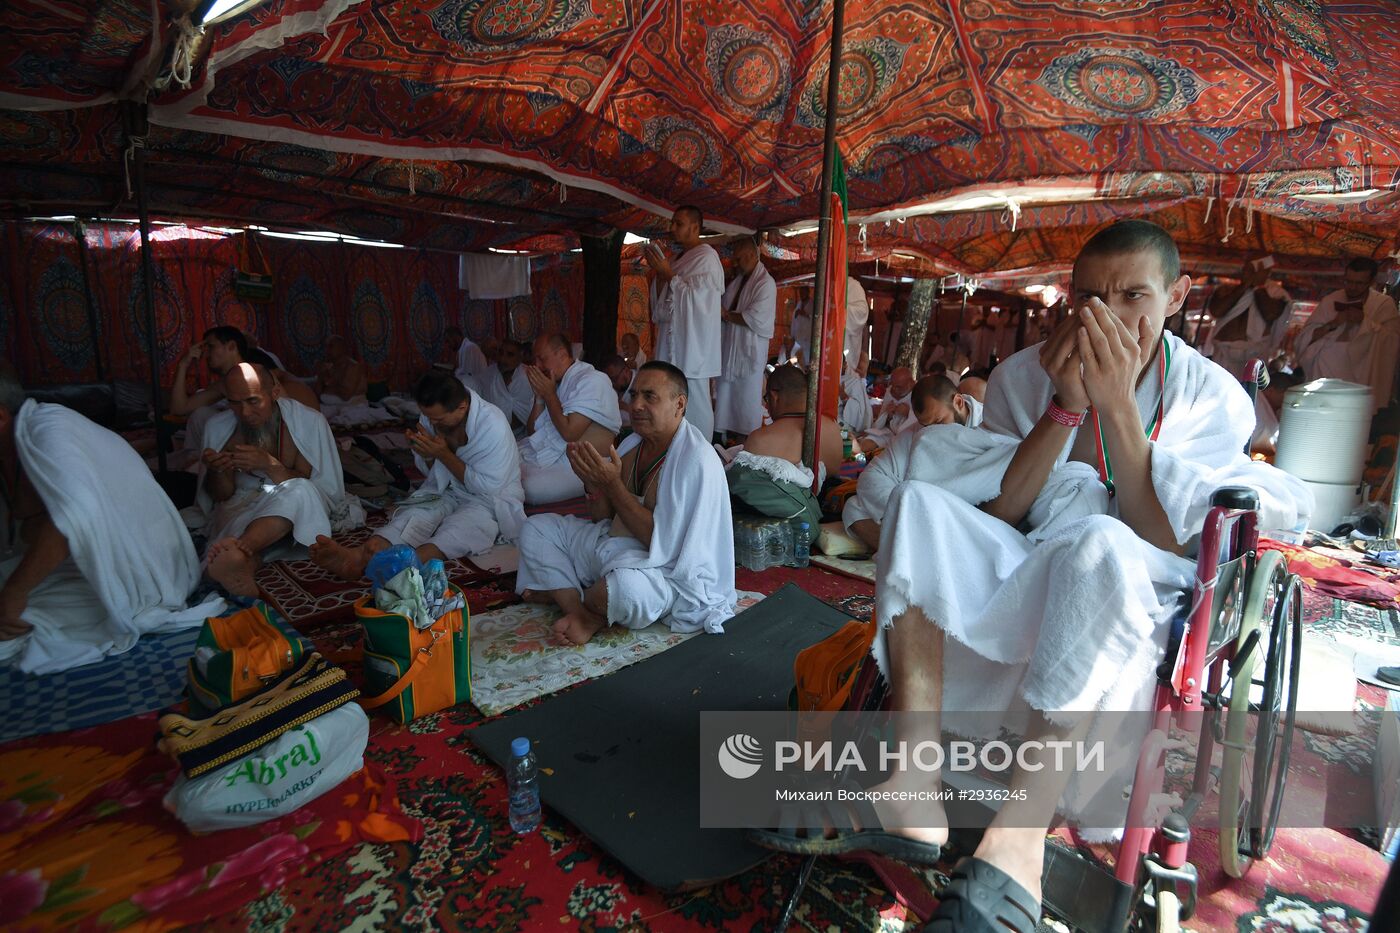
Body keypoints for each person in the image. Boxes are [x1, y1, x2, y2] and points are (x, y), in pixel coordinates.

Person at [759, 220, 1311, 928]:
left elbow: (1166, 536)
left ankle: (1016, 847)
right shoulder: (1026, 372)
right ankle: (913, 782)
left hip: (1140, 575)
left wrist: (1114, 407)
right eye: (1088, 296)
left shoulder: (1211, 395)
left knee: (1098, 544)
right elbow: (1009, 506)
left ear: (1176, 296)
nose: (1106, 315)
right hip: (1030, 551)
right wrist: (1065, 405)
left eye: (1133, 295)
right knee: (919, 506)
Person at [0, 364, 220, 674]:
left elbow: (75, 515)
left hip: (145, 571)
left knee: (18, 617)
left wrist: (15, 591)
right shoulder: (20, 442)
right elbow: (31, 527)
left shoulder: (50, 429)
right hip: (108, 554)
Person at [515, 362, 735, 645]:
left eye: (649, 396)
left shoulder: (696, 459)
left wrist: (612, 484)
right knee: (536, 528)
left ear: (679, 405)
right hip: (613, 547)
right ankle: (580, 611)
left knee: (625, 590)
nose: (637, 405)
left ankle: (576, 597)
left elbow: (660, 544)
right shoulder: (631, 444)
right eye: (634, 396)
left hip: (663, 570)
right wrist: (592, 484)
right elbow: (601, 519)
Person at [311, 370, 525, 578]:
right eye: (429, 418)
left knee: (461, 530)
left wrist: (442, 454)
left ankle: (404, 564)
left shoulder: (492, 424)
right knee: (414, 517)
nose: (432, 424)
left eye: (439, 420)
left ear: (462, 407)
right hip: (446, 489)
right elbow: (432, 471)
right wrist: (426, 452)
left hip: (488, 499)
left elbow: (488, 488)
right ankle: (359, 556)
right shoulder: (433, 415)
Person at [198, 363, 364, 597]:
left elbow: (317, 486)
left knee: (300, 491)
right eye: (234, 402)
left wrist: (268, 464)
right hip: (242, 507)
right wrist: (217, 470)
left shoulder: (306, 422)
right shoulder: (218, 427)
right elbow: (221, 496)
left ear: (274, 393)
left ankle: (241, 547)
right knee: (240, 535)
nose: (244, 412)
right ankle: (241, 560)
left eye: (253, 401)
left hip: (291, 503)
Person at [841, 374, 984, 553]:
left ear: (958, 402)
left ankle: (911, 554)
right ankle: (917, 554)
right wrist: (910, 512)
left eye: (940, 422)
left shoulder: (988, 425)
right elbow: (872, 477)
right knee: (854, 508)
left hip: (961, 519)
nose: (933, 432)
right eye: (927, 426)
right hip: (917, 514)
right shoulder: (917, 432)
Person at [725, 364, 838, 541]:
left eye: (766, 399)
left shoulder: (761, 439)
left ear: (774, 396)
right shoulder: (832, 428)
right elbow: (834, 471)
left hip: (785, 530)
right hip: (826, 512)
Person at [172, 326, 319, 451]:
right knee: (201, 415)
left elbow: (288, 416)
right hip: (261, 440)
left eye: (210, 347)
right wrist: (183, 365)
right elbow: (180, 408)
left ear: (231, 346)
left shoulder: (260, 374)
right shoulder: (225, 383)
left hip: (286, 443)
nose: (205, 355)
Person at [646, 205, 723, 441]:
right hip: (671, 341)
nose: (672, 228)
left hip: (693, 345)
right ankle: (673, 440)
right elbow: (662, 308)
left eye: (678, 223)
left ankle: (703, 447)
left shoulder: (707, 257)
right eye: (672, 223)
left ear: (695, 227)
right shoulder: (678, 259)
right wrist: (661, 275)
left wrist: (668, 275)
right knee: (668, 393)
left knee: (695, 397)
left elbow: (702, 303)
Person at [518, 334, 622, 505]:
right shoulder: (555, 383)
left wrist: (549, 394)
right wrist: (539, 397)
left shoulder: (593, 380)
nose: (536, 365)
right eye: (534, 359)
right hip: (552, 457)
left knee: (527, 487)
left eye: (542, 359)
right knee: (502, 462)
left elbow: (569, 433)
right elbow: (532, 433)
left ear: (561, 354)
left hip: (585, 464)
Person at [1294, 257, 1400, 410]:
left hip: (1361, 377)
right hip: (1325, 375)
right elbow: (1304, 339)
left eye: (1359, 283)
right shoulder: (1330, 300)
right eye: (1349, 281)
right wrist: (1333, 324)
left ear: (1371, 282)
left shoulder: (1383, 304)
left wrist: (1365, 322)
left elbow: (1392, 343)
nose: (1352, 287)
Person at [715, 236, 778, 442]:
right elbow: (725, 304)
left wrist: (725, 315)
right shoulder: (739, 281)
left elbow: (757, 318)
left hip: (749, 357)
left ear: (752, 256)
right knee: (725, 399)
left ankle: (746, 442)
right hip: (730, 350)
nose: (735, 263)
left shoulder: (766, 283)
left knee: (746, 402)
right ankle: (723, 438)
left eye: (739, 259)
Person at [1202, 257, 1292, 380]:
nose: (1245, 272)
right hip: (1223, 355)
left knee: (1248, 396)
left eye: (1251, 269)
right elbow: (1216, 311)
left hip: (1253, 357)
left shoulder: (1276, 294)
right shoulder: (1228, 289)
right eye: (1245, 268)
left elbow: (1270, 314)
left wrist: (1258, 285)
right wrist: (1245, 286)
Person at [480, 339, 535, 437]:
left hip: (523, 434)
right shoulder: (489, 374)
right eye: (500, 353)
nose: (502, 359)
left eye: (510, 355)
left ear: (520, 356)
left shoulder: (528, 377)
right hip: (492, 433)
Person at [856, 366, 916, 453]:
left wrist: (908, 413)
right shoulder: (890, 391)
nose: (894, 389)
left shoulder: (919, 394)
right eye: (893, 385)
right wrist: (889, 414)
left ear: (911, 383)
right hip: (888, 432)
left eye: (899, 387)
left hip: (906, 437)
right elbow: (882, 419)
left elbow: (924, 422)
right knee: (864, 444)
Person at [316, 335, 368, 403]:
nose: (327, 350)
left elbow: (345, 395)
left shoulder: (353, 367)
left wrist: (329, 384)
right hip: (331, 407)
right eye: (326, 346)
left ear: (341, 348)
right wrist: (321, 374)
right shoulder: (331, 366)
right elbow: (317, 394)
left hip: (353, 408)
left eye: (331, 346)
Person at [840, 350, 873, 434]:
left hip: (842, 423)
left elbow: (862, 414)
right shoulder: (821, 380)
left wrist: (844, 397)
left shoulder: (854, 382)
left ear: (845, 365)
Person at [453, 329, 492, 393]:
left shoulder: (469, 348)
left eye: (448, 341)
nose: (448, 344)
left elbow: (468, 374)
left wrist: (456, 370)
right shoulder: (463, 348)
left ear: (456, 338)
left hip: (477, 388)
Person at [845, 276, 870, 369]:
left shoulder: (853, 286)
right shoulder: (826, 283)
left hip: (846, 342)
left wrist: (839, 310)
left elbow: (862, 312)